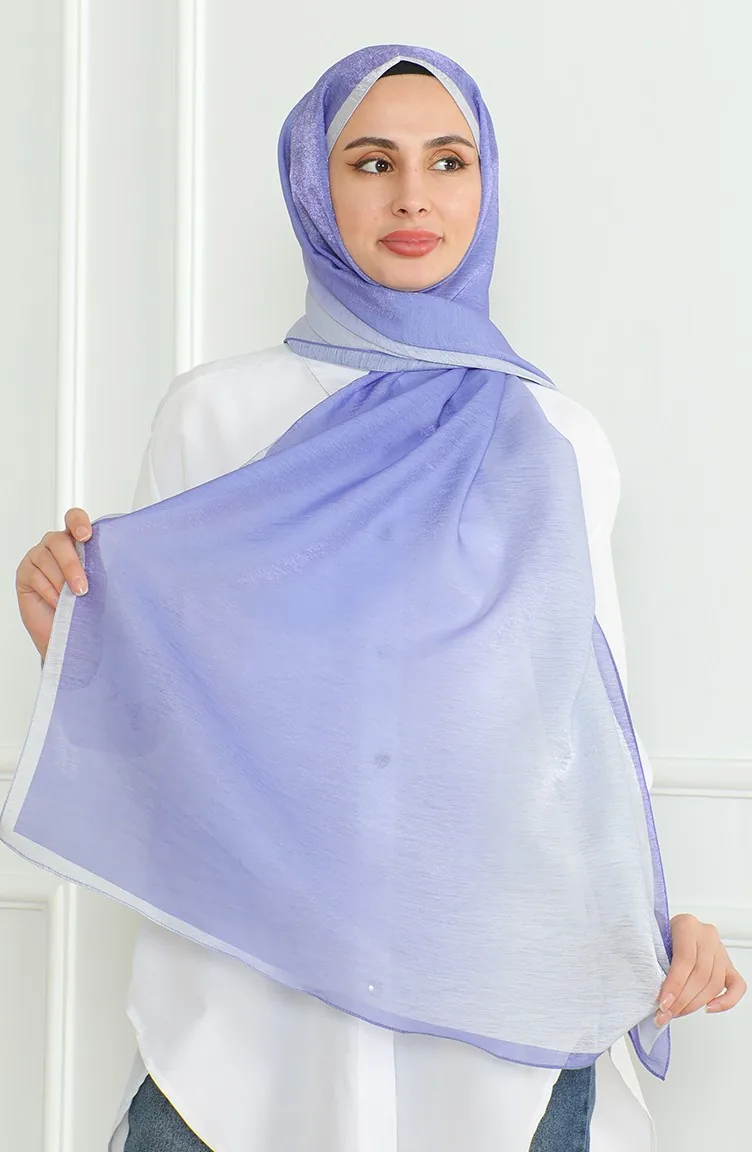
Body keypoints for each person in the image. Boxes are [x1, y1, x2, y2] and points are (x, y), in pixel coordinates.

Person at [11, 45, 746, 1152]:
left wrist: (655, 918)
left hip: (495, 1008)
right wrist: (75, 645)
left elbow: (582, 740)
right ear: (315, 187)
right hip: (256, 1009)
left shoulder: (554, 438)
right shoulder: (216, 417)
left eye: (448, 161)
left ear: (483, 187)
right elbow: (179, 736)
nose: (413, 196)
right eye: (370, 162)